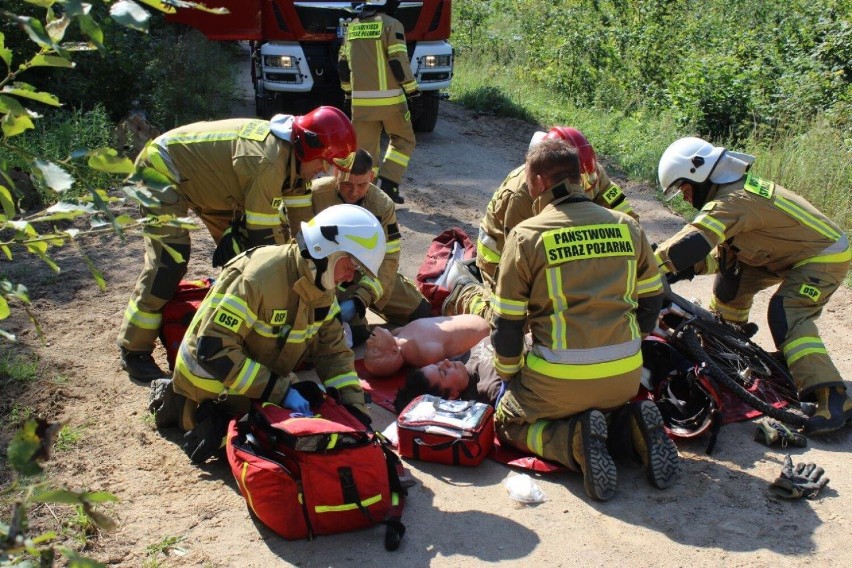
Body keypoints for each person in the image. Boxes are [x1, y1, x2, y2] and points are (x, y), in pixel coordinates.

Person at [491, 138, 677, 501]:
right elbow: (655, 296)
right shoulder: (627, 226)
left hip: (557, 380)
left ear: (541, 181)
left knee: (507, 421)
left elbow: (507, 323)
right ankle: (631, 427)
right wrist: (633, 340)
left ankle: (571, 441)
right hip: (624, 377)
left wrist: (510, 376)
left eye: (529, 180)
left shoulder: (528, 235)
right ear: (578, 178)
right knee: (600, 407)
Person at [117, 107, 357, 382]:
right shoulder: (268, 161)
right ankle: (133, 348)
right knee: (170, 262)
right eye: (323, 164)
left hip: (212, 188)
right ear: (309, 148)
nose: (322, 173)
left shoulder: (296, 162)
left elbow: (303, 234)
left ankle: (238, 334)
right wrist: (297, 288)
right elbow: (265, 244)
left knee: (243, 261)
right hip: (162, 170)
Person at [653, 136, 852, 436]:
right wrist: (677, 271)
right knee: (728, 288)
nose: (684, 197)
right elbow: (715, 259)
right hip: (776, 255)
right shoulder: (729, 196)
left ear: (698, 172)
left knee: (787, 312)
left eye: (684, 188)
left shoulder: (735, 200)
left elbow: (691, 243)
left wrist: (644, 267)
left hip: (822, 255)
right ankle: (731, 354)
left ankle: (831, 397)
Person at [171, 204, 384, 459]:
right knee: (270, 446)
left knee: (315, 429)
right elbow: (214, 350)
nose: (350, 278)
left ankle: (224, 424)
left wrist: (355, 411)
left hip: (254, 384)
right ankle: (205, 420)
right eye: (350, 265)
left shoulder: (321, 289)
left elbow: (334, 354)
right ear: (326, 250)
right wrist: (280, 391)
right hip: (209, 383)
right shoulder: (259, 277)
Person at [290, 148, 431, 345]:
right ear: (335, 173)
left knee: (422, 313)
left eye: (362, 184)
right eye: (347, 183)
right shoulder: (315, 194)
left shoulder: (382, 206)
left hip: (370, 271)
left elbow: (389, 259)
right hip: (331, 273)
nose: (354, 192)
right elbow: (298, 246)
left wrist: (361, 298)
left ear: (371, 177)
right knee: (355, 333)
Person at [476, 126, 637, 291]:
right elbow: (519, 256)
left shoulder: (591, 172)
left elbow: (625, 216)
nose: (583, 187)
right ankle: (462, 287)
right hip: (499, 257)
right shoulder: (522, 195)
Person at [338, 0, 419, 204]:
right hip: (391, 102)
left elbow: (342, 65)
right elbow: (397, 61)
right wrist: (412, 89)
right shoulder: (392, 24)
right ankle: (389, 183)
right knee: (404, 139)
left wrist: (348, 94)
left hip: (361, 104)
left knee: (364, 151)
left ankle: (366, 194)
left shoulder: (352, 28)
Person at [393, 336, 504, 413]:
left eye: (437, 364)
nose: (446, 362)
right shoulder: (490, 388)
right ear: (452, 395)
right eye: (443, 372)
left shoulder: (460, 362)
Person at [363, 314, 489, 377]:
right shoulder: (425, 352)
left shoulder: (398, 334)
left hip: (472, 319)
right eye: (374, 351)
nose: (369, 342)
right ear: (394, 352)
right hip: (482, 331)